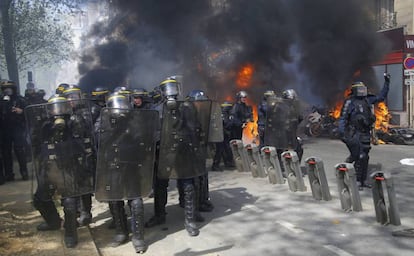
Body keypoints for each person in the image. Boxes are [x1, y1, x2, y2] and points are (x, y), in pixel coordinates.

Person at [28, 94, 95, 248]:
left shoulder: (75, 122)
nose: (57, 112)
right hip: (51, 167)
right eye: (54, 108)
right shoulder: (45, 125)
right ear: (49, 110)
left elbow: (84, 143)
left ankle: (71, 233)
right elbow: (36, 143)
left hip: (70, 167)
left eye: (61, 107)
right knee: (40, 198)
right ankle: (53, 222)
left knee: (70, 201)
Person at [145, 78, 206, 237]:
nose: (171, 92)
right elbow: (152, 133)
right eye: (168, 88)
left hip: (182, 153)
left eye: (174, 88)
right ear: (162, 91)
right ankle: (159, 215)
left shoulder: (187, 108)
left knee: (188, 185)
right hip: (163, 154)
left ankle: (190, 218)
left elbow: (195, 129)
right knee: (159, 186)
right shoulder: (156, 109)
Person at [338, 73, 390, 190]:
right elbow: (343, 118)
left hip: (365, 133)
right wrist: (342, 133)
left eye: (363, 89)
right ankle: (354, 178)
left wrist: (387, 82)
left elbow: (381, 97)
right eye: (360, 89)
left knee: (365, 157)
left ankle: (362, 180)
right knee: (358, 156)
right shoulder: (349, 102)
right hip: (354, 133)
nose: (362, 91)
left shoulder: (368, 100)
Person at [0, 80, 29, 181]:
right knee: (6, 152)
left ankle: (24, 172)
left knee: (19, 149)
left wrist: (21, 111)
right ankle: (9, 174)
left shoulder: (20, 100)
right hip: (4, 129)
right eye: (5, 89)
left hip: (17, 127)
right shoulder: (1, 100)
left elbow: (29, 111)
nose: (8, 90)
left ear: (13, 89)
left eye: (9, 88)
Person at [211, 101, 235, 171]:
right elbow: (227, 124)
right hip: (221, 135)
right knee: (220, 150)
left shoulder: (219, 113)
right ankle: (215, 165)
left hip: (222, 134)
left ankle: (227, 163)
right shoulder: (224, 114)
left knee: (225, 148)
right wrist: (231, 122)